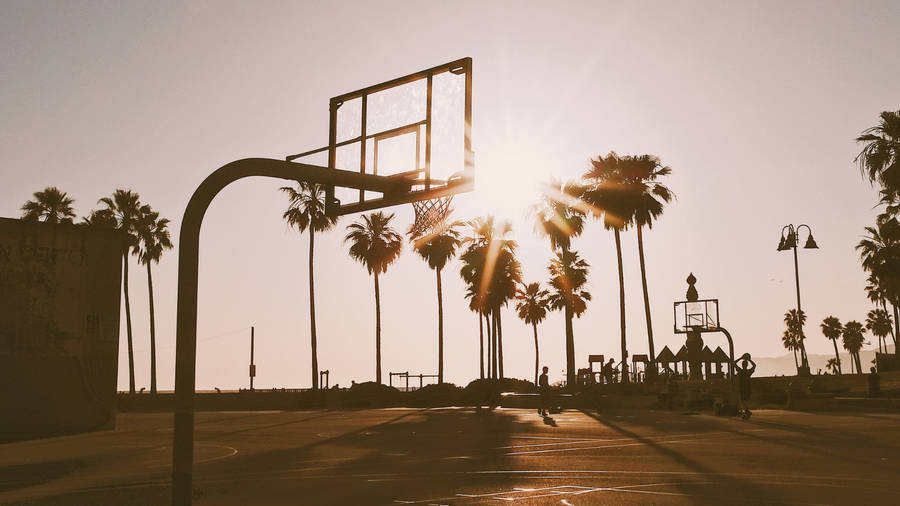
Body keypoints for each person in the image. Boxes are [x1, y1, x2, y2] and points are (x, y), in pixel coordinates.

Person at [735, 353, 756, 419]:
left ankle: (747, 410)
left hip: (742, 387)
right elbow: (754, 365)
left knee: (743, 400)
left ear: (742, 365)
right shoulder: (748, 371)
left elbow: (734, 363)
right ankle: (746, 411)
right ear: (746, 365)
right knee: (745, 400)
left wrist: (741, 358)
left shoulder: (741, 371)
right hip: (747, 387)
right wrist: (749, 360)